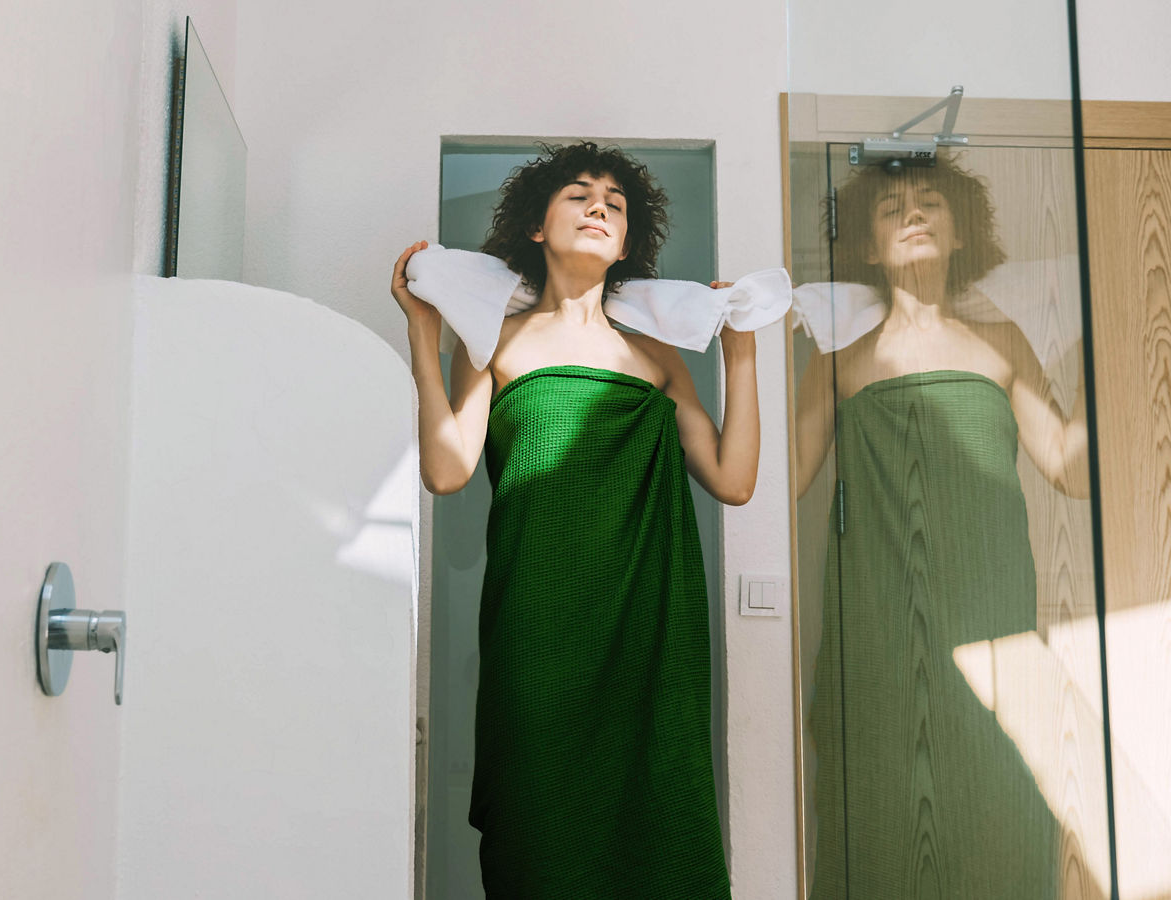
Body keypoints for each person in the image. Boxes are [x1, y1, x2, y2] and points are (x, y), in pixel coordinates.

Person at [390, 142, 752, 899]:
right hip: (537, 629)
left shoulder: (657, 356)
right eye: (579, 196)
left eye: (614, 204)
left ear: (626, 242)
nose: (598, 207)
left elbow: (733, 478)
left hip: (650, 635)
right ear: (535, 226)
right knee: (540, 834)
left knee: (659, 828)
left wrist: (742, 355)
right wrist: (426, 339)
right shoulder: (496, 342)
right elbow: (446, 469)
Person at [796, 156, 1088, 898]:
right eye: (892, 209)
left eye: (930, 203)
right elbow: (777, 488)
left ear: (961, 232)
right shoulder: (837, 362)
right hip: (874, 630)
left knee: (1001, 800)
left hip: (993, 615)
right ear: (868, 246)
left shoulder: (1005, 343)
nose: (914, 215)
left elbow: (1069, 467)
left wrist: (1109, 358)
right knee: (879, 817)